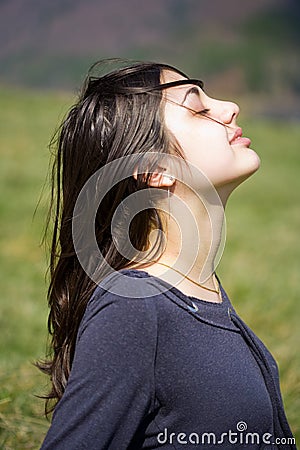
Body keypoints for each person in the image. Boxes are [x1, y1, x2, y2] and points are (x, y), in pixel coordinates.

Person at [38, 60, 296, 449]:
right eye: (199, 108)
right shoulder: (133, 311)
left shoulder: (198, 291)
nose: (229, 108)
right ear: (155, 168)